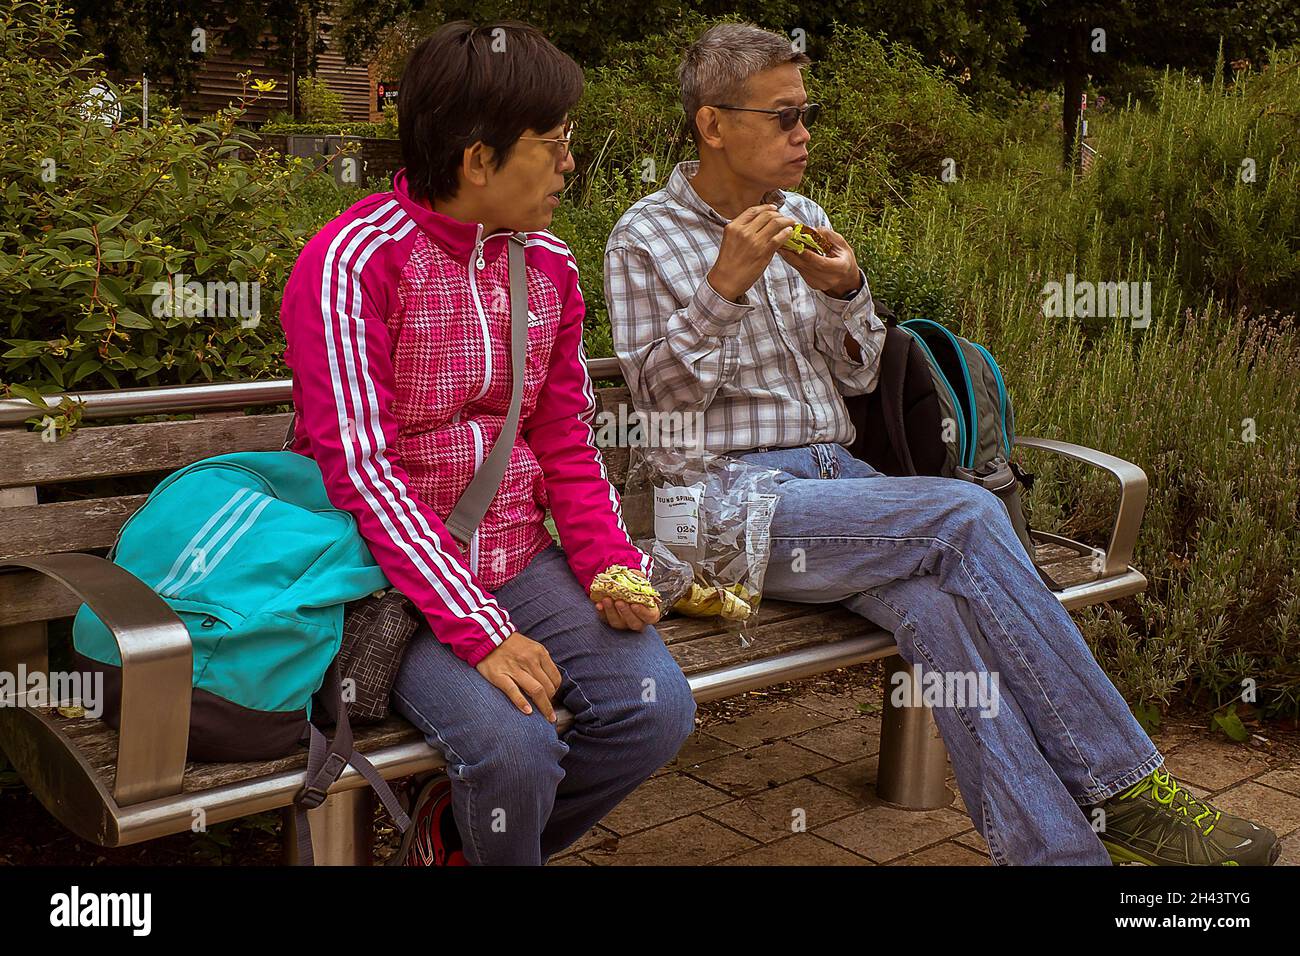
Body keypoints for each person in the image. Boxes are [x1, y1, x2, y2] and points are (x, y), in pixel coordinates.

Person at [603, 21, 1279, 866]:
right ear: (712, 124)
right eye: (784, 116)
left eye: (807, 112)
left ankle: (1061, 854)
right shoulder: (643, 236)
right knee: (961, 517)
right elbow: (663, 409)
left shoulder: (804, 216)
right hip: (722, 509)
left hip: (838, 488)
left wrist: (849, 291)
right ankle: (1125, 785)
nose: (804, 132)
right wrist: (724, 289)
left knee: (939, 610)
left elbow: (855, 380)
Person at [278, 20, 695, 866]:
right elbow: (363, 472)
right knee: (513, 749)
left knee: (655, 709)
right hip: (381, 579)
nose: (569, 164)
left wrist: (610, 565)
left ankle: (454, 842)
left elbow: (566, 440)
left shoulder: (548, 267)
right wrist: (479, 629)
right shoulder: (352, 265)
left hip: (515, 554)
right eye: (553, 145)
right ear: (478, 159)